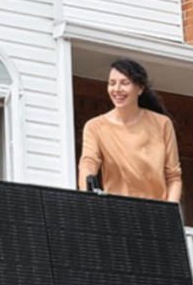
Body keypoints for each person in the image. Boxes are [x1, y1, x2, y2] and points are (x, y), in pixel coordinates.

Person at [78, 58, 182, 203]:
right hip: (117, 211)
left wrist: (170, 211)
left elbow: (173, 177)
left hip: (158, 213)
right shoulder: (95, 126)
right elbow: (88, 165)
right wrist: (88, 198)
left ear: (140, 88)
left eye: (124, 83)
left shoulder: (162, 124)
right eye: (112, 83)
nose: (117, 89)